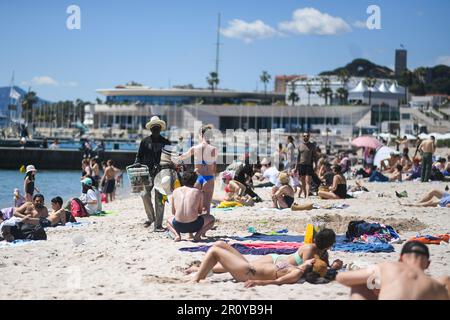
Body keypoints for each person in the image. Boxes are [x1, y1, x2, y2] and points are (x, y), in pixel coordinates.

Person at [336, 241, 450, 300]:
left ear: (400, 259)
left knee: (361, 285)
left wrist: (375, 283)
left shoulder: (388, 267)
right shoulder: (438, 287)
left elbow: (341, 278)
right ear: (428, 264)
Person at [189, 241, 316, 287]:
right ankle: (202, 271)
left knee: (214, 251)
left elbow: (279, 282)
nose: (310, 260)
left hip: (247, 272)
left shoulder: (297, 273)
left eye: (312, 262)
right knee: (220, 244)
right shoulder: (297, 267)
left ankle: (197, 278)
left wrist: (258, 283)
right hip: (248, 267)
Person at [135, 116, 171, 231]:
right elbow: (139, 156)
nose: (155, 129)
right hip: (146, 173)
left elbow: (171, 158)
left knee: (159, 199)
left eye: (157, 127)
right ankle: (151, 218)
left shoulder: (166, 142)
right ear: (150, 129)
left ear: (160, 128)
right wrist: (136, 164)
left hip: (162, 173)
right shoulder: (144, 142)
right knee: (144, 194)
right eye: (153, 127)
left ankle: (158, 225)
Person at [178, 125, 217, 214]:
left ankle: (193, 222)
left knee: (194, 205)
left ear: (201, 134)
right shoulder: (213, 149)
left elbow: (182, 157)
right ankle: (206, 223)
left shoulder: (195, 148)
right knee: (207, 206)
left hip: (197, 177)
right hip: (209, 177)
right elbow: (214, 167)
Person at [166, 172, 215, 242]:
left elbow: (173, 212)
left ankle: (177, 235)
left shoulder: (175, 191)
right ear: (195, 181)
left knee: (168, 221)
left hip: (178, 226)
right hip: (194, 225)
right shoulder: (198, 192)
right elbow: (199, 211)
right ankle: (197, 236)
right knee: (212, 219)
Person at [295, 132, 318, 199]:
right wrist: (296, 167)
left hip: (309, 165)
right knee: (303, 182)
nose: (306, 137)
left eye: (307, 136)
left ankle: (307, 195)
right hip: (301, 165)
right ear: (302, 137)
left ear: (309, 137)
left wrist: (316, 165)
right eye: (304, 136)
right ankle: (305, 195)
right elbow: (298, 158)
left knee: (308, 181)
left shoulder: (312, 146)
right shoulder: (300, 146)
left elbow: (315, 157)